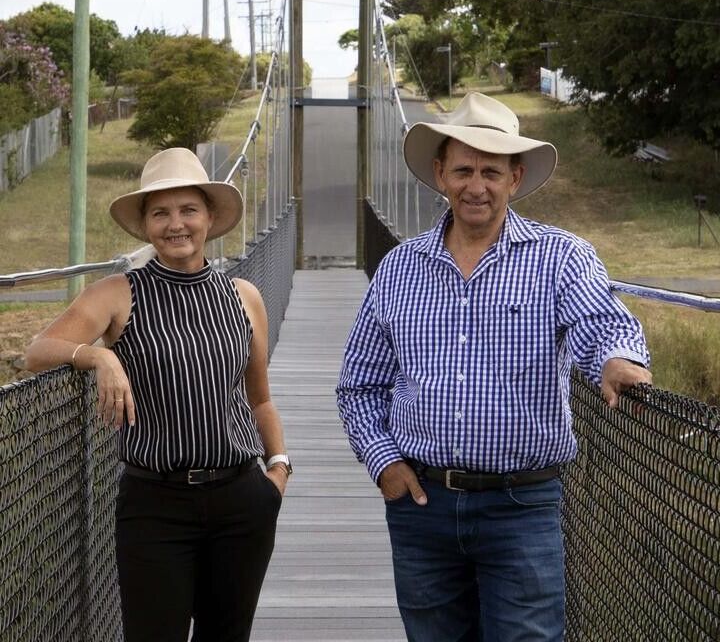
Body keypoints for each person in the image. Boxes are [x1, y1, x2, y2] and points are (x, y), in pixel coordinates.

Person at [336, 93, 651, 642]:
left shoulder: (562, 257)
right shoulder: (396, 269)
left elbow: (598, 320)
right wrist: (384, 463)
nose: (475, 185)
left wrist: (617, 359)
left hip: (522, 505)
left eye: (490, 171)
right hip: (421, 505)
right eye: (462, 170)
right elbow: (359, 385)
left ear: (515, 177)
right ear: (440, 174)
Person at [25, 148, 292, 642]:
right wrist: (101, 356)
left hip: (241, 500)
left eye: (188, 210)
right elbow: (37, 351)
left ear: (210, 219)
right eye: (160, 213)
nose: (176, 225)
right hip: (155, 505)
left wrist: (278, 471)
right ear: (145, 225)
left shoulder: (244, 297)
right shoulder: (117, 293)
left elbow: (260, 399)